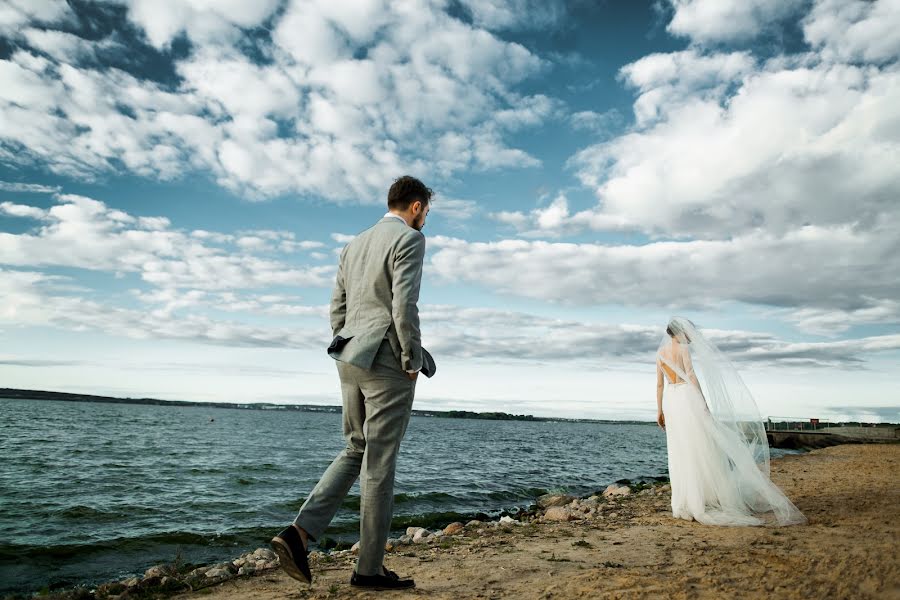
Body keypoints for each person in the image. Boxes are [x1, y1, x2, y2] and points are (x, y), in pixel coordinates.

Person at [271, 176, 436, 591]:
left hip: (349, 355)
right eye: (427, 212)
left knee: (356, 448)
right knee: (379, 462)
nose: (426, 219)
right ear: (415, 207)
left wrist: (343, 346)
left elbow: (337, 307)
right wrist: (411, 359)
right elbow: (404, 305)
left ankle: (299, 533)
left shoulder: (354, 244)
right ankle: (368, 569)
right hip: (385, 359)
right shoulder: (409, 241)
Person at [656, 317, 806, 526]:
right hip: (687, 399)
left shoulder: (660, 354)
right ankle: (702, 497)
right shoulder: (683, 350)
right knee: (699, 446)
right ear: (679, 332)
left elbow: (660, 385)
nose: (690, 335)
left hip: (671, 402)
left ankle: (684, 501)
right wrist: (704, 403)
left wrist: (659, 410)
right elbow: (691, 375)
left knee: (680, 449)